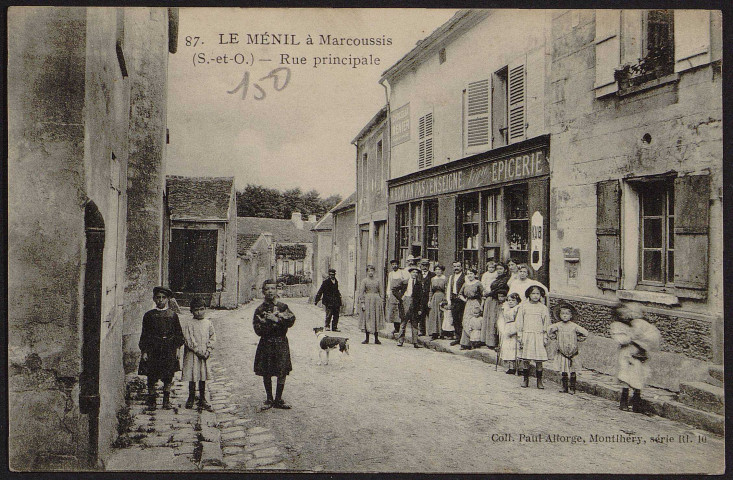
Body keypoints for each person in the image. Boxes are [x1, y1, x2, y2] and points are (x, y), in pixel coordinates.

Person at [138, 286, 185, 410]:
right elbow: (145, 335)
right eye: (158, 297)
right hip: (153, 349)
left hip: (168, 349)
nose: (161, 300)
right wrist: (144, 351)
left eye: (163, 298)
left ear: (168, 299)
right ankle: (152, 400)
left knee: (168, 375)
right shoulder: (149, 315)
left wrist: (177, 350)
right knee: (152, 374)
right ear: (154, 299)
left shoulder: (173, 315)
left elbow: (178, 334)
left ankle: (166, 400)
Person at [610, 302, 661, 413]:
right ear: (618, 315)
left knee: (639, 377)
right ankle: (623, 401)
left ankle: (636, 402)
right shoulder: (617, 326)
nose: (626, 316)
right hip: (626, 355)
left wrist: (642, 340)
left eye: (627, 313)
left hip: (639, 355)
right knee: (626, 378)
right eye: (622, 314)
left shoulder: (637, 323)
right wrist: (632, 337)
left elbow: (649, 337)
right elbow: (621, 339)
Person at [254, 280, 296, 410]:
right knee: (266, 371)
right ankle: (269, 398)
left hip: (281, 342)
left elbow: (291, 320)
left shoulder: (283, 307)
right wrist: (267, 321)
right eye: (267, 289)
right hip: (266, 342)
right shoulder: (260, 309)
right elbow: (257, 329)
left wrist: (277, 319)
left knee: (281, 371)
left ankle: (278, 399)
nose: (270, 291)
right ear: (263, 292)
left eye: (273, 288)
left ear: (277, 290)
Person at [182, 296, 216, 410]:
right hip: (193, 354)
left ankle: (202, 398)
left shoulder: (208, 323)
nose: (199, 312)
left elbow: (212, 336)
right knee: (193, 375)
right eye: (196, 310)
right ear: (192, 311)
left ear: (205, 309)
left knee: (203, 376)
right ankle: (191, 397)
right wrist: (196, 350)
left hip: (204, 354)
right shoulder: (190, 323)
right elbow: (188, 338)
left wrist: (208, 350)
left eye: (201, 309)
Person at [549, 302, 589, 394]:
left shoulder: (574, 326)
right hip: (562, 352)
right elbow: (549, 330)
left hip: (572, 353)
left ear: (571, 316)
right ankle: (564, 387)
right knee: (564, 370)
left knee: (572, 370)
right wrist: (554, 337)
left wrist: (578, 338)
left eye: (567, 314)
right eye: (563, 314)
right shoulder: (558, 325)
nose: (565, 316)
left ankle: (572, 387)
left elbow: (585, 333)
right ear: (559, 315)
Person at [516, 285, 551, 389]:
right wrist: (520, 335)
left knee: (539, 360)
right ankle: (525, 379)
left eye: (537, 294)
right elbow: (519, 322)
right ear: (529, 295)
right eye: (533, 294)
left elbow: (546, 323)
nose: (535, 296)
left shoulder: (543, 308)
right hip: (527, 335)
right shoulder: (524, 307)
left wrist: (545, 336)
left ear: (541, 295)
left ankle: (539, 381)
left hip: (538, 335)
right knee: (526, 359)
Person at [481, 262, 510, 348]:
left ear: (505, 270)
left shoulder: (506, 279)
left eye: (501, 269)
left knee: (496, 321)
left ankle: (496, 342)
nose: (499, 271)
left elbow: (499, 290)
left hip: (499, 301)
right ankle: (490, 342)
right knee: (491, 321)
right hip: (492, 301)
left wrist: (489, 293)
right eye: (497, 269)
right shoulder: (497, 279)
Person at [458, 268, 485, 350]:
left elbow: (483, 295)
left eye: (471, 274)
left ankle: (475, 342)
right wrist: (464, 300)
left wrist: (481, 306)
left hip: (476, 303)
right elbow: (460, 294)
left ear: (475, 275)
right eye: (468, 274)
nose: (470, 275)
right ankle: (465, 343)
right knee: (466, 322)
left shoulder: (478, 283)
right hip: (468, 304)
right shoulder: (465, 284)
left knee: (475, 322)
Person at [357, 265, 384, 344]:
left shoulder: (378, 281)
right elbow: (361, 293)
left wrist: (381, 300)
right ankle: (367, 338)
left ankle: (376, 338)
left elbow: (381, 292)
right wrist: (362, 303)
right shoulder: (364, 281)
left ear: (374, 272)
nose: (370, 272)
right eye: (369, 271)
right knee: (367, 318)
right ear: (367, 272)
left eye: (372, 271)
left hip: (376, 301)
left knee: (376, 318)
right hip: (367, 301)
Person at [398, 266, 423, 348]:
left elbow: (420, 297)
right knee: (403, 323)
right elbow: (394, 289)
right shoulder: (405, 282)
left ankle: (415, 342)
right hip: (406, 302)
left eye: (416, 273)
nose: (415, 274)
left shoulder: (419, 284)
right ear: (410, 273)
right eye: (413, 272)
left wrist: (419, 308)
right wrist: (401, 297)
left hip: (415, 305)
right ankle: (400, 341)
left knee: (415, 323)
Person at [496, 291, 519, 374]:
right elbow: (501, 319)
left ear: (517, 302)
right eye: (509, 300)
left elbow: (519, 321)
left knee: (515, 348)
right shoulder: (505, 309)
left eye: (513, 300)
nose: (511, 302)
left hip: (515, 328)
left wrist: (515, 330)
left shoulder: (518, 309)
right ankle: (511, 367)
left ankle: (518, 367)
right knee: (507, 348)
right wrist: (502, 329)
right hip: (507, 327)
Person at [386, 259, 408, 336]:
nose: (394, 266)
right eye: (393, 264)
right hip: (392, 295)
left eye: (396, 264)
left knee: (399, 310)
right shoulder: (391, 274)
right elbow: (389, 284)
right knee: (393, 311)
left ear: (398, 265)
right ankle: (396, 327)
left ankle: (400, 328)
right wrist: (388, 293)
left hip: (399, 294)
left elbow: (405, 284)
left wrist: (403, 294)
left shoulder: (402, 273)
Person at [446, 261, 466, 346]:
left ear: (461, 267)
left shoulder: (465, 277)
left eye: (458, 266)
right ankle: (457, 337)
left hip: (462, 301)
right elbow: (449, 289)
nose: (456, 268)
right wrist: (449, 301)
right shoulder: (451, 277)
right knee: (455, 319)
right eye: (455, 266)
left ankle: (463, 339)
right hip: (454, 300)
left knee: (462, 319)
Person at [426, 264, 447, 339]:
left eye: (439, 270)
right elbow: (431, 290)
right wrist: (429, 300)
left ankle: (441, 333)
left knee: (441, 315)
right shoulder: (433, 279)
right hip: (434, 298)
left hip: (441, 297)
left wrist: (444, 300)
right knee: (433, 314)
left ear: (442, 271)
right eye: (436, 270)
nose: (438, 271)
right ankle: (434, 333)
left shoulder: (445, 279)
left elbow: (446, 290)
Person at [418, 259, 435, 336]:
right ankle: (422, 330)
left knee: (430, 314)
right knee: (421, 314)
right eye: (423, 265)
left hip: (429, 297)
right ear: (420, 266)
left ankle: (431, 331)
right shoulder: (418, 275)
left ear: (429, 266)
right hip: (420, 298)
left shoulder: (432, 275)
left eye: (426, 265)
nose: (425, 267)